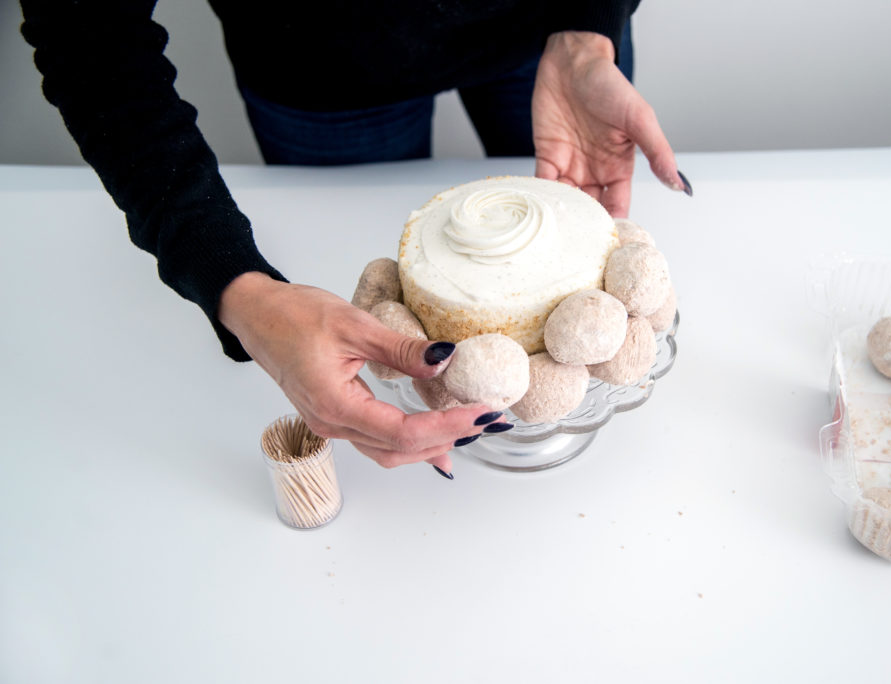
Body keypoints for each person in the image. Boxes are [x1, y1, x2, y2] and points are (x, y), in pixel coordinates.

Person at [20, 1, 691, 478]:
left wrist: (588, 27)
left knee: (563, 234)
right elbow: (87, 31)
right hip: (318, 54)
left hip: (548, 24)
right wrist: (235, 285)